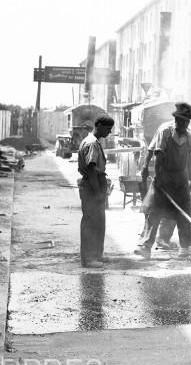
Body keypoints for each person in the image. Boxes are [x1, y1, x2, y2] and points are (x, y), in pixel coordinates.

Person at [135, 102, 191, 259]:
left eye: (186, 121)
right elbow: (158, 157)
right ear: (176, 119)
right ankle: (146, 246)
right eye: (181, 120)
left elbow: (189, 160)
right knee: (154, 211)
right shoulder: (165, 132)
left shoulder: (190, 138)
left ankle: (184, 248)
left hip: (181, 178)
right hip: (164, 175)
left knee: (183, 212)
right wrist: (158, 179)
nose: (183, 124)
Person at [77, 115, 114, 268]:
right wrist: (98, 191)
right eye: (108, 128)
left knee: (98, 222)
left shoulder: (93, 141)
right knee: (91, 223)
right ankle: (89, 258)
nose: (109, 132)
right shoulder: (92, 143)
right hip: (92, 185)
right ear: (98, 125)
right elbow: (92, 169)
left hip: (94, 184)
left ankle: (97, 255)